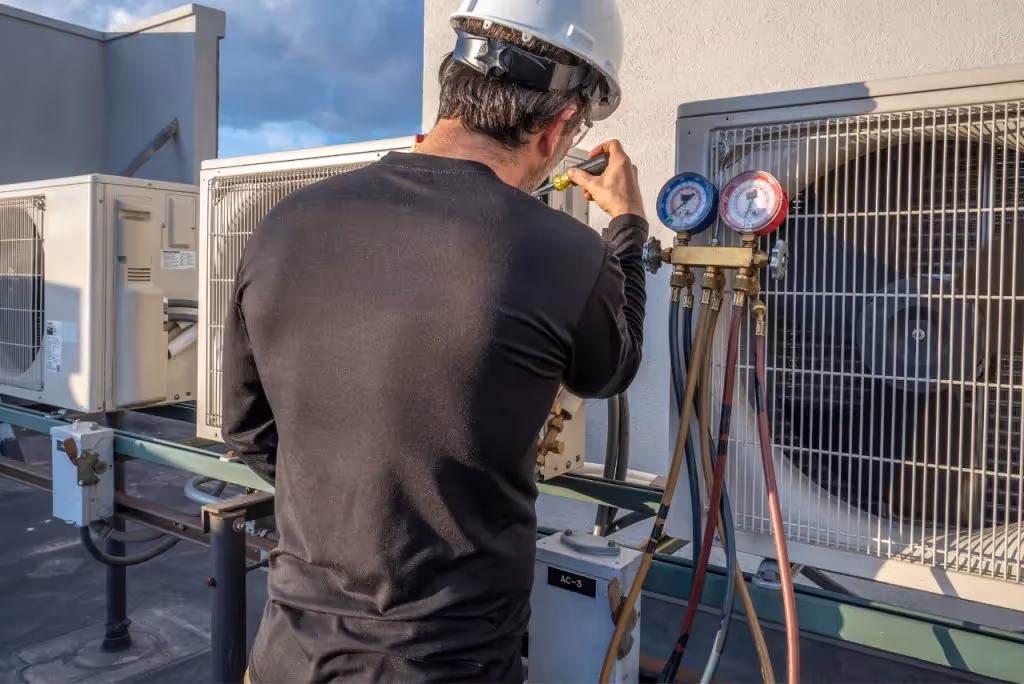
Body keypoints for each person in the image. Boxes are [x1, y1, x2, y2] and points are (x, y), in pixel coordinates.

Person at [222, 1, 646, 681]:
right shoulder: (562, 251)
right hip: (449, 662)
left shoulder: (286, 224)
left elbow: (248, 433)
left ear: (454, 82)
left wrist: (355, 503)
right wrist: (625, 227)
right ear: (562, 124)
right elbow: (610, 369)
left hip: (289, 654)